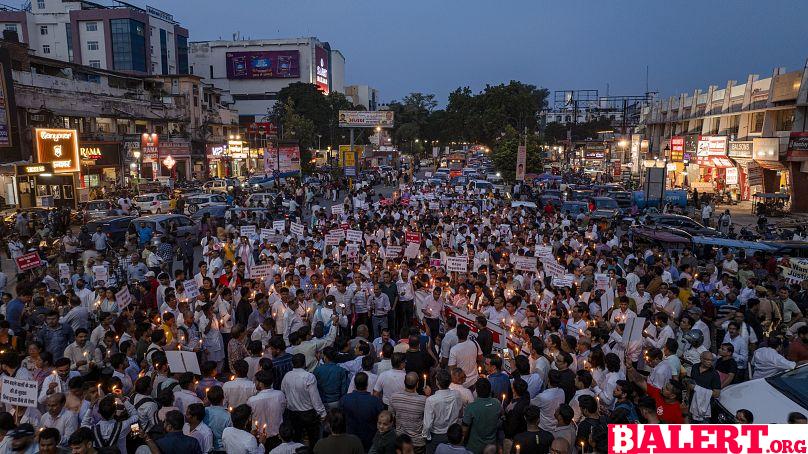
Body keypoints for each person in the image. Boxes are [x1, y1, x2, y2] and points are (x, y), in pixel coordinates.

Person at [340, 371, 384, 451]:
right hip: (369, 438)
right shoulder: (375, 401)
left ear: (355, 384)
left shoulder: (345, 400)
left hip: (351, 438)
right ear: (367, 384)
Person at [461, 378, 501, 454]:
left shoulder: (471, 407)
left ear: (476, 391)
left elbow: (464, 430)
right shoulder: (497, 403)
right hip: (492, 446)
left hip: (474, 448)